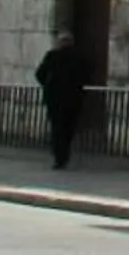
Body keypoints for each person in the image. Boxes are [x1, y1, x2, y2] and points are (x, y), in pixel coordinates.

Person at [33, 33, 84, 170]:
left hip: (55, 98)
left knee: (57, 128)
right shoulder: (79, 57)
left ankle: (59, 156)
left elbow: (39, 74)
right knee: (69, 128)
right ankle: (65, 154)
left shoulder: (52, 56)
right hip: (74, 98)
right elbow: (88, 74)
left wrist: (48, 85)